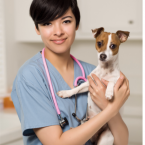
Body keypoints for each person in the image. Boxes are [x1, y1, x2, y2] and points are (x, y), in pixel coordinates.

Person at [11, 0, 130, 145]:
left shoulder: (91, 72)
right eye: (47, 23)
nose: (58, 31)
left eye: (66, 21)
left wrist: (110, 109)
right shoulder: (30, 76)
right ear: (37, 28)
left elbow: (121, 142)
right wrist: (111, 109)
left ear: (77, 24)